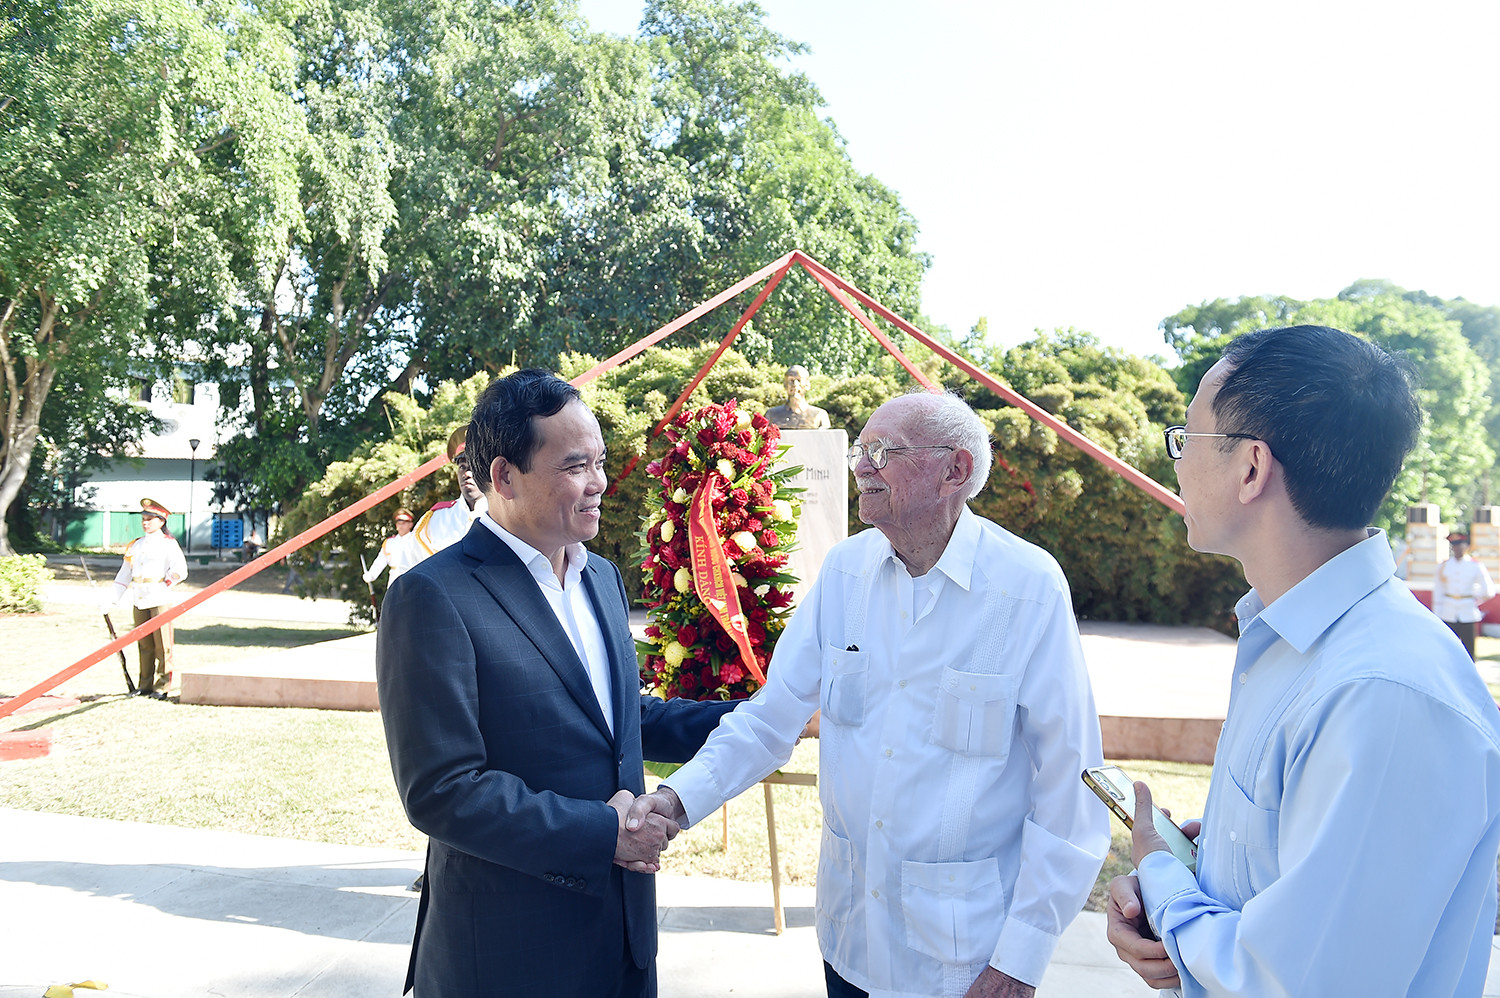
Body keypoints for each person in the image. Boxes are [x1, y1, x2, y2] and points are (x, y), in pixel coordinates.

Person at [628, 390, 1110, 998]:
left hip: (963, 960)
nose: (861, 466)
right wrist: (676, 800)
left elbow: (1071, 786)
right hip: (850, 940)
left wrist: (1020, 958)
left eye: (883, 452)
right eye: (862, 449)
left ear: (953, 471)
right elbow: (769, 720)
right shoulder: (844, 573)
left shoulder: (1027, 588)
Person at [1106, 325, 1500, 997]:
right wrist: (1208, 871)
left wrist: (1165, 883)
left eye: (1187, 438)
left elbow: (1302, 983)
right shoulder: (1287, 643)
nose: (1176, 460)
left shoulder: (1383, 692)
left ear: (1251, 467)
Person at [376, 368, 737, 998]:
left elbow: (621, 723)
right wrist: (606, 834)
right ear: (504, 476)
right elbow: (441, 790)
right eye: (575, 466)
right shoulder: (432, 597)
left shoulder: (600, 578)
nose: (599, 483)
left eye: (599, 461)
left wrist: (766, 715)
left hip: (622, 939)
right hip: (511, 953)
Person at [99, 498, 188, 699]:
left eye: (150, 519)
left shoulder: (168, 544)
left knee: (162, 644)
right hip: (139, 597)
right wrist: (112, 599)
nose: (145, 522)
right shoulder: (136, 545)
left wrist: (166, 583)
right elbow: (124, 574)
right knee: (144, 643)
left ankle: (162, 687)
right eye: (144, 519)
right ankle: (145, 685)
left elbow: (180, 570)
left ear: (161, 521)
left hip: (159, 597)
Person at [409, 425, 485, 557]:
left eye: (473, 466)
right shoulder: (435, 520)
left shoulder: (509, 514)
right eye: (462, 466)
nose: (466, 473)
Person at [1432, 529, 1494, 660]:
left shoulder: (1475, 566)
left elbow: (1488, 590)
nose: (1457, 548)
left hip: (1468, 612)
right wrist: (1437, 614)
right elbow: (1438, 591)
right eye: (1454, 545)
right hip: (1448, 611)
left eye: (1460, 545)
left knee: (1469, 650)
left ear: (1466, 546)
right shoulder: (1444, 566)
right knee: (1447, 650)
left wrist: (1475, 598)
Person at [765, 364, 832, 429]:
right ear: (785, 385)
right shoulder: (771, 415)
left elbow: (825, 438)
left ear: (807, 385)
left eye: (799, 380)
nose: (795, 384)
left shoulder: (819, 415)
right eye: (791, 380)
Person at [362, 507, 417, 584]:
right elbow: (380, 561)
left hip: (412, 577)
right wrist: (371, 575)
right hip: (395, 579)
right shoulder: (389, 542)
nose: (401, 525)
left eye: (404, 523)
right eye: (399, 523)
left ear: (410, 524)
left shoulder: (416, 540)